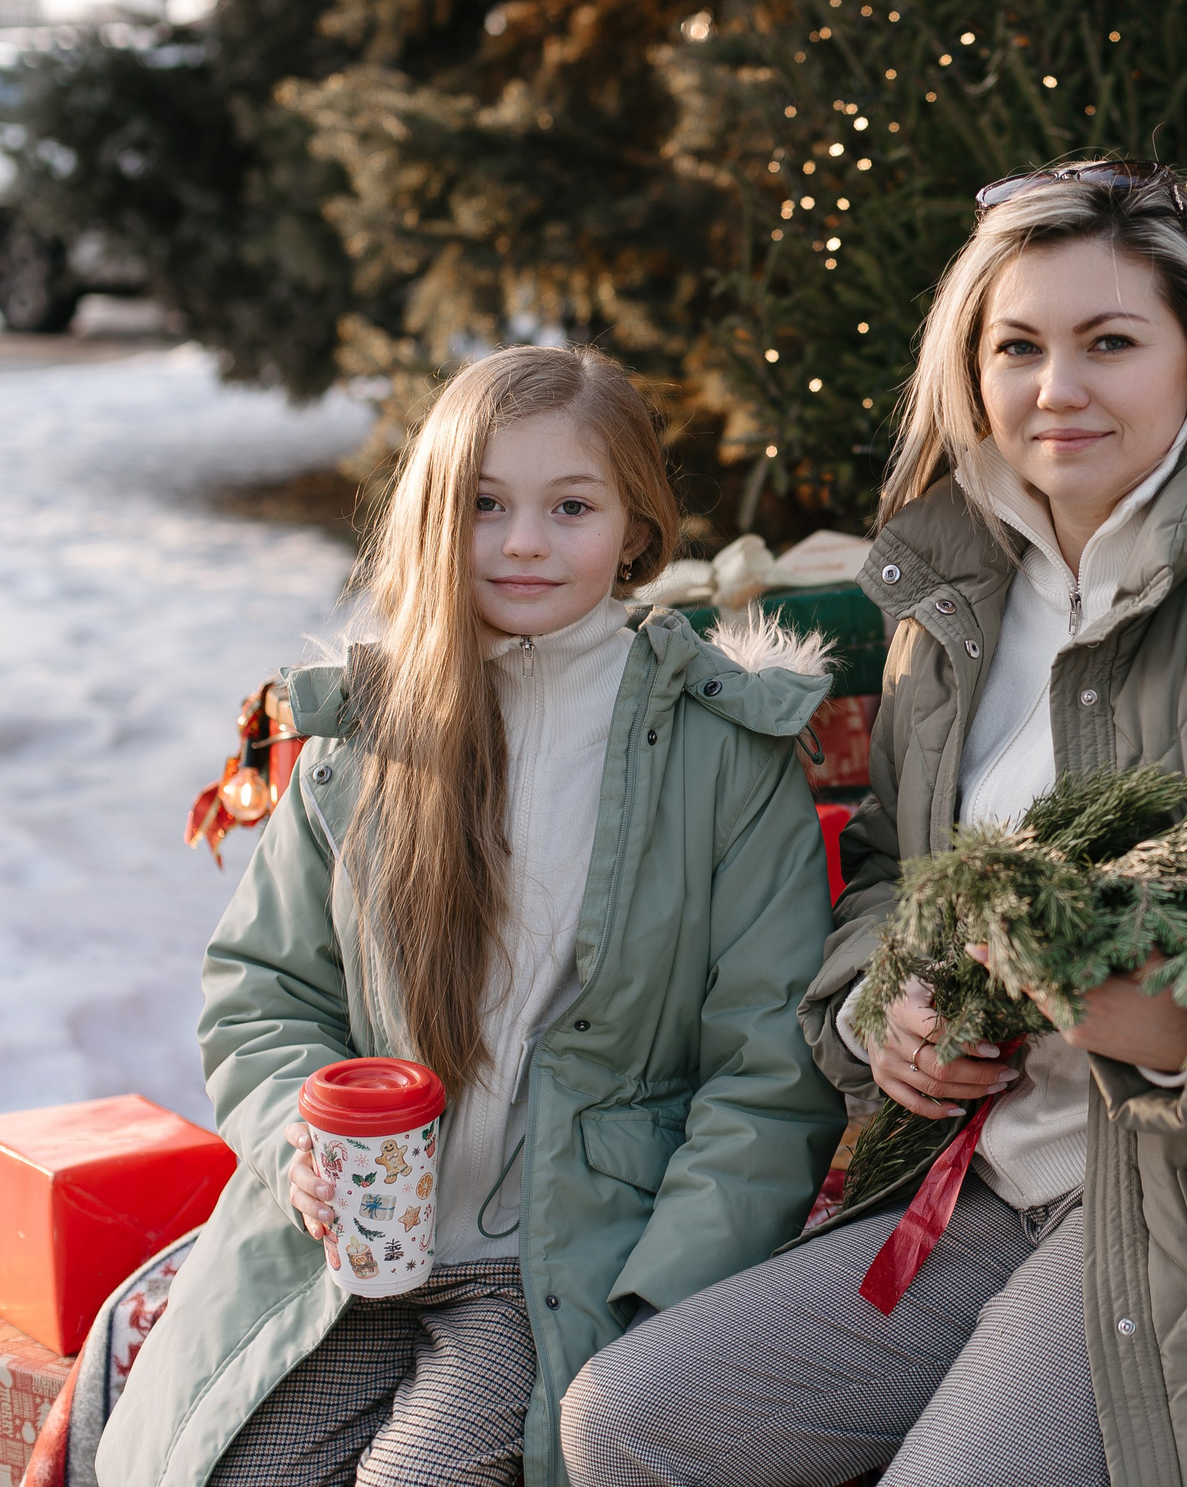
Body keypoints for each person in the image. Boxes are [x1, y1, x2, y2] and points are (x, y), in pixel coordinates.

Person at [562, 163, 1187, 1487]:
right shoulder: (949, 616)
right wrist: (889, 1011)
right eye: (1017, 346)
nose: (1056, 387)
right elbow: (896, 883)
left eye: (1109, 343)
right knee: (634, 1418)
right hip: (991, 1189)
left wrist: (1185, 1033)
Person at [101, 346, 847, 1487]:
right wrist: (295, 1145)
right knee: (221, 1467)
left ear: (638, 527)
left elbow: (764, 1065)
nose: (524, 541)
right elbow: (264, 989)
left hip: (558, 1251)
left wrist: (664, 1297)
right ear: (432, 517)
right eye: (484, 505)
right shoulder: (361, 736)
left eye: (571, 505)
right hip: (354, 1244)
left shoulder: (720, 751)